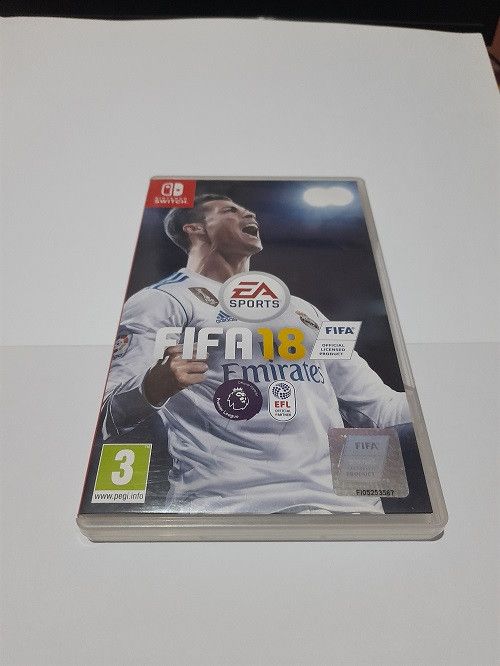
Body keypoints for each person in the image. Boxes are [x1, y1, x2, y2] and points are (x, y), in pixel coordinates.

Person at [102, 194, 410, 514]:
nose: (249, 213)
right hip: (234, 509)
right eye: (230, 210)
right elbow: (107, 409)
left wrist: (430, 397)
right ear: (195, 229)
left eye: (247, 209)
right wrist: (152, 387)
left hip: (344, 510)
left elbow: (380, 408)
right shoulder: (161, 301)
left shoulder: (305, 310)